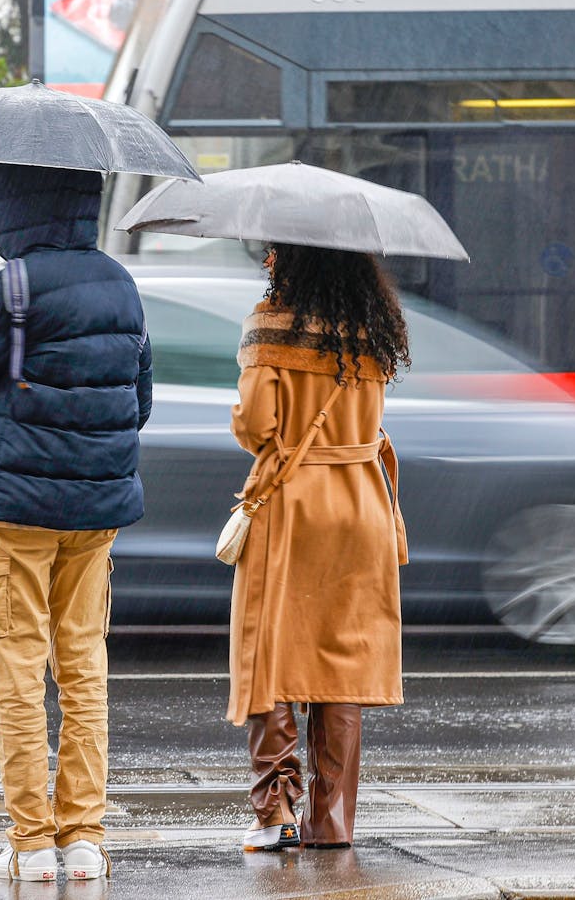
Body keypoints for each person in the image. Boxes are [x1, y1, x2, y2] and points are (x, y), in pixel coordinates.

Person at [0, 162, 153, 883]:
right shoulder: (121, 284)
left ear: (7, 203)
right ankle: (84, 837)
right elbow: (138, 400)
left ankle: (31, 843)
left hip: (16, 511)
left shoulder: (14, 287)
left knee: (19, 670)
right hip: (97, 510)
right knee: (84, 664)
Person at [227, 244, 409, 852]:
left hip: (293, 505)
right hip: (362, 504)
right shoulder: (373, 328)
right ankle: (331, 823)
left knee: (269, 654)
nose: (269, 258)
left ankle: (276, 810)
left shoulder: (270, 322)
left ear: (295, 258)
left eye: (276, 249)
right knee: (342, 662)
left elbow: (257, 426)